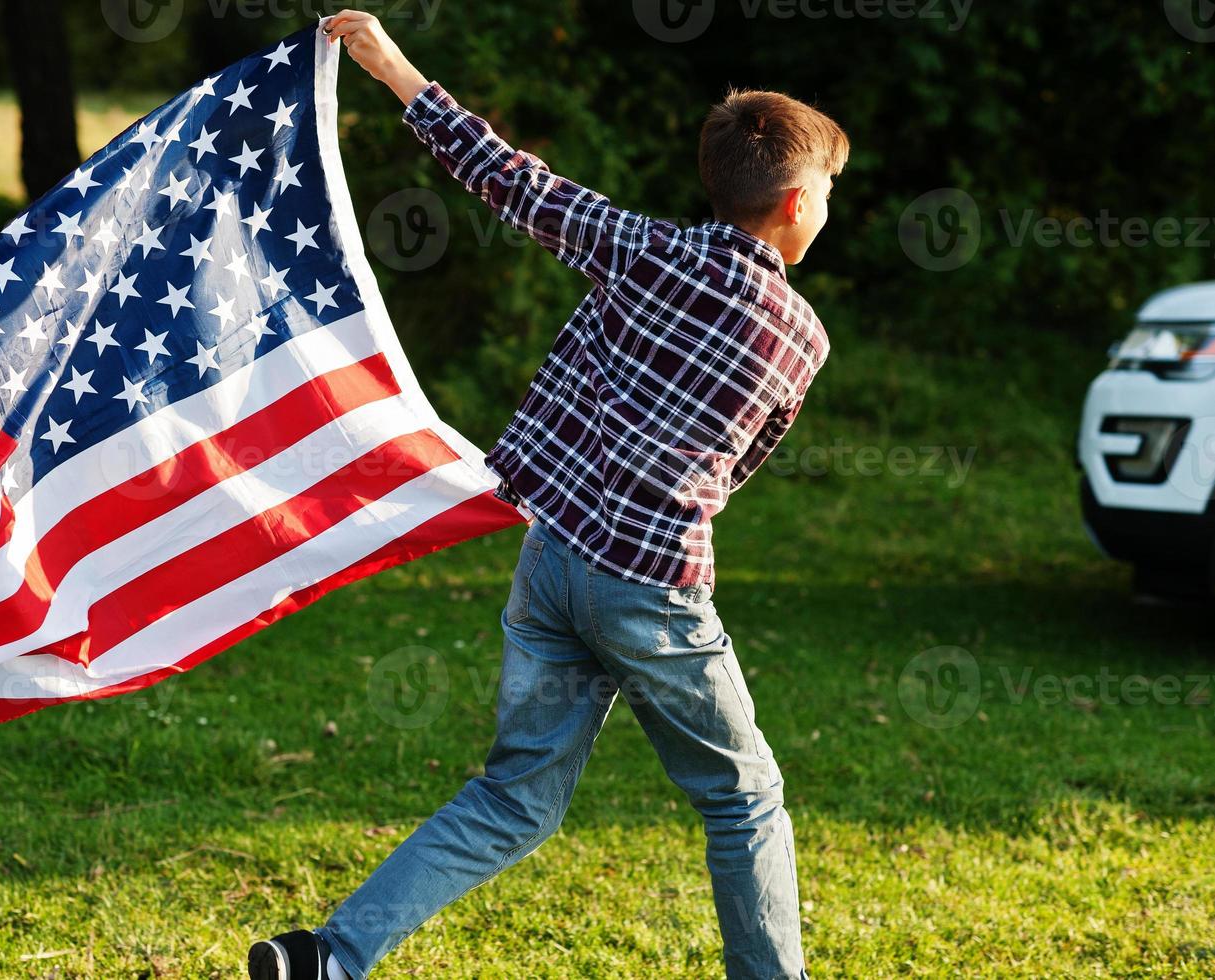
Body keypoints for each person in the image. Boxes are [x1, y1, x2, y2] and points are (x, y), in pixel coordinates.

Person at [249, 10, 849, 979]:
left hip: (553, 562)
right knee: (746, 798)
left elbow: (508, 178)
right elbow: (738, 466)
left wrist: (390, 64)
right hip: (652, 589)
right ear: (791, 203)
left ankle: (327, 954)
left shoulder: (637, 248)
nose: (825, 207)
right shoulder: (804, 338)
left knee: (516, 795)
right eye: (826, 192)